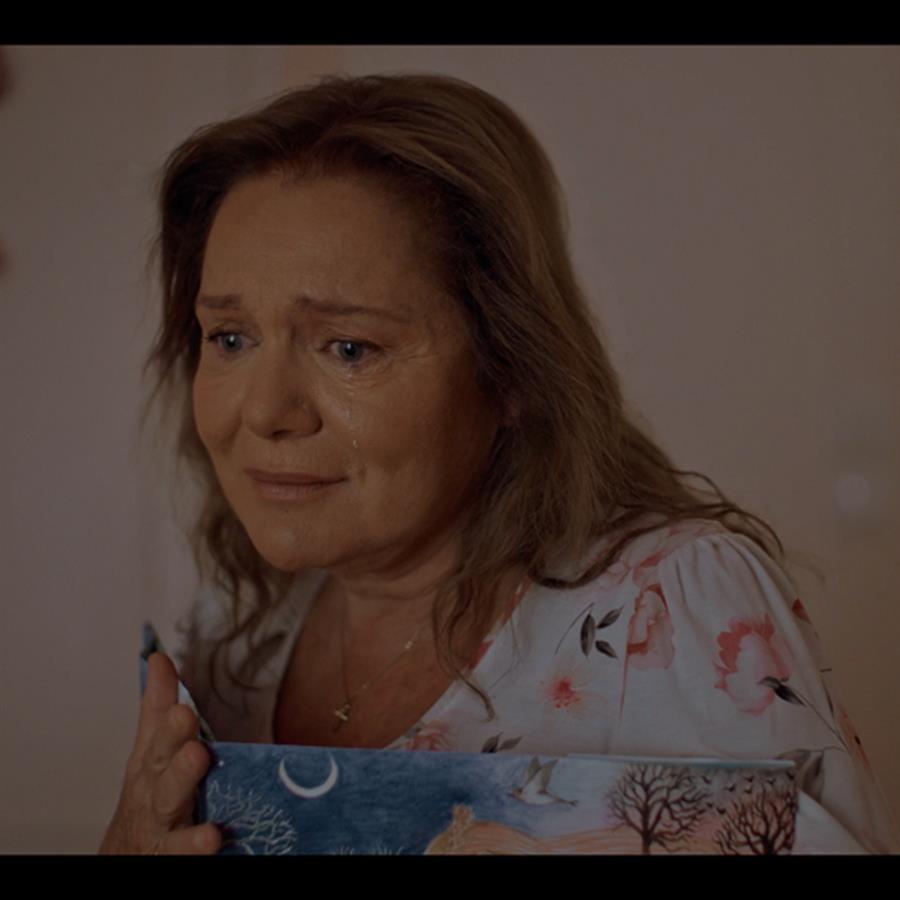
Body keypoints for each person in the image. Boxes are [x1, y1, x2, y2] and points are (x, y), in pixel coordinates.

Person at [99, 73, 899, 855]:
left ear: (510, 369)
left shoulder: (671, 614)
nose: (264, 411)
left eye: (349, 348)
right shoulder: (234, 634)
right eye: (230, 338)